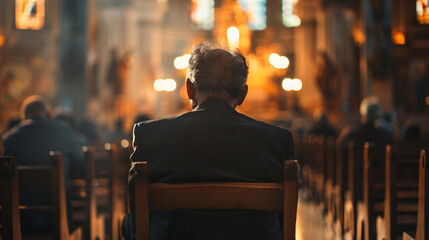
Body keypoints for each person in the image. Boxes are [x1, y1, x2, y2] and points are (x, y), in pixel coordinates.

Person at [122, 41, 295, 240]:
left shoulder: (149, 135)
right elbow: (282, 222)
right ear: (242, 94)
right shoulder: (278, 141)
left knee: (127, 224)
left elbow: (138, 215)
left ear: (189, 89)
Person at [2, 95, 84, 233]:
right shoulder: (63, 131)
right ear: (48, 114)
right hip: (58, 219)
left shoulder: (10, 138)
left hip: (21, 221)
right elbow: (81, 166)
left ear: (24, 117)